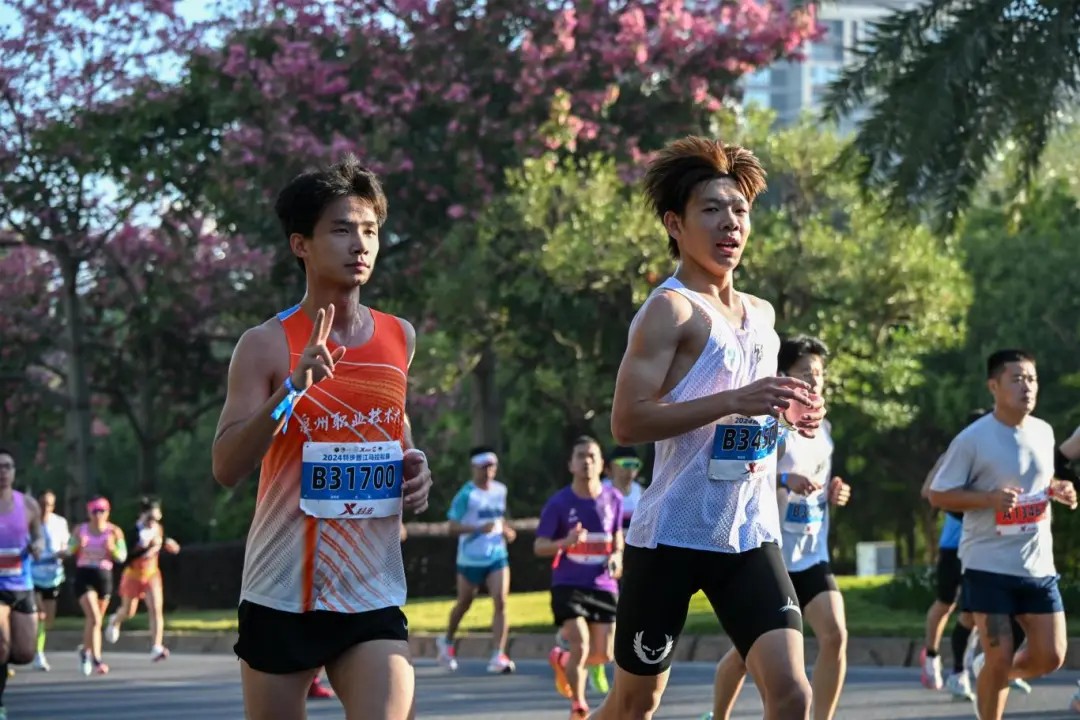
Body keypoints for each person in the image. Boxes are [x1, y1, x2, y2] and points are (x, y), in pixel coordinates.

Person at [591, 136, 825, 720]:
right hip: (671, 536)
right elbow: (627, 421)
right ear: (675, 224)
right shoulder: (669, 310)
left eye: (739, 210)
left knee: (793, 694)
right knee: (635, 704)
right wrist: (735, 399)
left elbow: (755, 410)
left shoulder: (763, 314)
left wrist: (790, 413)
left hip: (748, 533)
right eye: (712, 209)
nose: (730, 223)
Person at [211, 155, 433, 720]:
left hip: (371, 590)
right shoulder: (265, 344)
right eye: (341, 230)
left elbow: (392, 423)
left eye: (370, 231)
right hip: (282, 589)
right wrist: (292, 388)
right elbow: (227, 466)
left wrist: (414, 464)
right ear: (300, 244)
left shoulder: (399, 337)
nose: (360, 245)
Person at [706, 335, 851, 720]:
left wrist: (833, 492)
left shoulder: (824, 428)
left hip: (812, 553)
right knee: (744, 654)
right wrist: (786, 481)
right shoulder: (774, 429)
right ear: (784, 376)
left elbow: (819, 481)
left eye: (819, 373)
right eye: (805, 373)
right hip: (773, 556)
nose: (815, 380)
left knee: (835, 635)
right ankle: (717, 717)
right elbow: (743, 475)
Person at [929, 349, 1076, 720]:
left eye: (1032, 379)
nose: (1027, 387)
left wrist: (1058, 489)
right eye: (1017, 379)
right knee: (1000, 653)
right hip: (988, 566)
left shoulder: (1043, 432)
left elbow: (1041, 482)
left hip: (1037, 566)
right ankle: (993, 673)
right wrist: (988, 500)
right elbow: (937, 494)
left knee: (1051, 656)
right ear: (993, 386)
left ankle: (990, 673)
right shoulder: (973, 439)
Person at [535, 436, 624, 720]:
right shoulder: (559, 503)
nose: (587, 461)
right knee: (581, 644)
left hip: (603, 584)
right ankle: (579, 705)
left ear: (602, 464)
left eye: (592, 456)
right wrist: (566, 542)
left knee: (605, 654)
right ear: (571, 465)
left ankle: (562, 659)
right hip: (568, 585)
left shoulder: (614, 499)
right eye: (581, 456)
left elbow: (617, 538)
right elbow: (539, 546)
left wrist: (617, 556)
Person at [437, 446, 516, 675]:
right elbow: (451, 527)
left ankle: (498, 654)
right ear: (473, 468)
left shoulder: (500, 490)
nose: (488, 471)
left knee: (501, 601)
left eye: (491, 466)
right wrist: (478, 529)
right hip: (470, 558)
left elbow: (499, 518)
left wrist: (506, 531)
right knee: (464, 603)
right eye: (483, 467)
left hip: (496, 555)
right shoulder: (466, 495)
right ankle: (447, 640)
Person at [104, 497, 180, 661]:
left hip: (151, 574)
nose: (153, 522)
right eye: (150, 518)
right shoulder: (134, 532)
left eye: (156, 518)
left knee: (156, 608)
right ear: (142, 515)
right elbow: (126, 558)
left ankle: (156, 646)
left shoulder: (158, 529)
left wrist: (168, 543)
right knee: (129, 611)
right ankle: (115, 620)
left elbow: (162, 540)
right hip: (133, 575)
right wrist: (146, 548)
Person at [0, 447, 44, 719]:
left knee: (25, 653)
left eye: (7, 466)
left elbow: (38, 536)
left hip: (21, 584)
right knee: (1, 644)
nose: (2, 472)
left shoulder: (28, 505)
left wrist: (37, 546)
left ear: (14, 472)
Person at [69, 496, 126, 676]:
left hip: (103, 577)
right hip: (84, 575)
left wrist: (112, 549)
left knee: (96, 621)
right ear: (89, 512)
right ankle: (96, 658)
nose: (98, 515)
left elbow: (122, 556)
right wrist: (77, 546)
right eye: (95, 511)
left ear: (108, 512)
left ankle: (85, 650)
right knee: (93, 616)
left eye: (102, 511)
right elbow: (68, 550)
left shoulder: (114, 531)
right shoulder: (80, 530)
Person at [30, 489, 69, 672]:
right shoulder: (29, 522)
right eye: (43, 504)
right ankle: (38, 654)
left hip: (53, 576)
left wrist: (64, 553)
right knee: (40, 614)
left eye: (49, 504)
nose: (46, 508)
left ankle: (35, 642)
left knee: (48, 620)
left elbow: (66, 546)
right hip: (32, 575)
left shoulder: (60, 523)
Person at [602, 446, 643, 531]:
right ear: (609, 468)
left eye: (635, 464)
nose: (630, 469)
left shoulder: (642, 492)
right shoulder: (600, 491)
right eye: (626, 464)